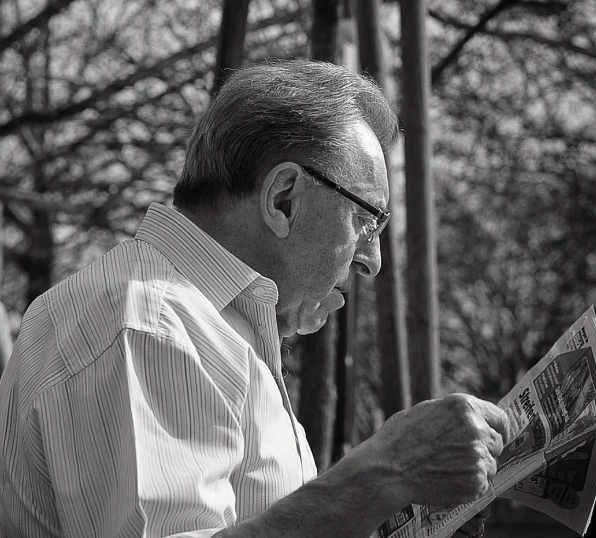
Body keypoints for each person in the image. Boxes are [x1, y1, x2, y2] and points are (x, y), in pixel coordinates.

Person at [0, 59, 508, 538]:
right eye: (365, 222)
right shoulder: (153, 322)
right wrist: (386, 472)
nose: (372, 260)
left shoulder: (202, 325)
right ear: (283, 198)